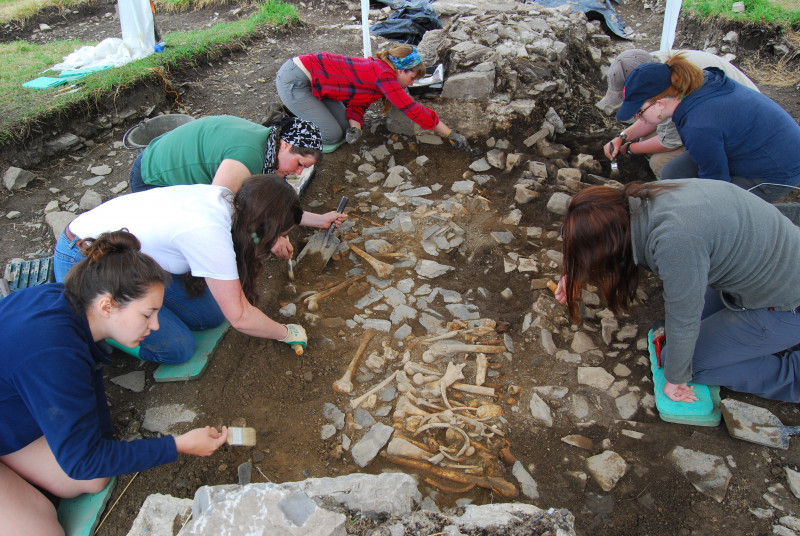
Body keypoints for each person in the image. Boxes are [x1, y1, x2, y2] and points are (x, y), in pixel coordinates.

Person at [0, 231, 227, 536]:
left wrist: (97, 445)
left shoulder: (72, 306)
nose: (156, 325)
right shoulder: (55, 351)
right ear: (107, 306)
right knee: (43, 528)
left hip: (11, 412)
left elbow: (91, 455)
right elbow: (85, 461)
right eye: (148, 314)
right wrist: (178, 445)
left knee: (95, 480)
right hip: (18, 407)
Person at [54, 175, 346, 364]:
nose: (277, 240)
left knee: (210, 314)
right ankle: (109, 332)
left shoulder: (232, 200)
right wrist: (284, 332)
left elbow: (276, 214)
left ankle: (148, 309)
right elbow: (241, 317)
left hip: (141, 261)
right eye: (276, 234)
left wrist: (317, 220)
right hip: (87, 256)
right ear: (263, 227)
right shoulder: (208, 233)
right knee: (178, 348)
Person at [555, 179, 800, 403]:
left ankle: (793, 375)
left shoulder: (674, 240)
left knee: (691, 363)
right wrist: (575, 273)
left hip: (786, 303)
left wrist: (676, 378)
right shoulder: (644, 199)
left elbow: (684, 316)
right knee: (681, 343)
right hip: (770, 271)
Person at [609, 53, 800, 202]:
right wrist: (624, 136)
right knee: (672, 174)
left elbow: (716, 186)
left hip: (776, 170)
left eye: (639, 112)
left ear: (659, 103)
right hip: (747, 147)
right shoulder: (695, 85)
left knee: (719, 206)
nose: (637, 117)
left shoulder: (698, 125)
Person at [599, 49, 759, 178]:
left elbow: (669, 142)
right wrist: (623, 136)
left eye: (637, 108)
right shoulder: (657, 65)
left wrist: (630, 149)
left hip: (747, 138)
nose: (635, 115)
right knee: (646, 138)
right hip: (736, 111)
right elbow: (651, 115)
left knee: (661, 163)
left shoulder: (681, 100)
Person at [274, 44, 470, 149]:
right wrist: (450, 134)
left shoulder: (381, 75)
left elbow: (358, 105)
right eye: (411, 77)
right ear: (400, 70)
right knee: (331, 136)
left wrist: (355, 129)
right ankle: (281, 120)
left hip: (320, 86)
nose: (411, 84)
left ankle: (306, 110)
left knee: (343, 129)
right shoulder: (384, 76)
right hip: (296, 80)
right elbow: (412, 110)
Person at [130, 115, 323, 194]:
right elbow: (217, 212)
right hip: (152, 178)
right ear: (286, 145)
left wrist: (318, 220)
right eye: (300, 164)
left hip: (157, 152)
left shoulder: (267, 139)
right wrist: (270, 238)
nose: (298, 173)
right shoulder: (247, 159)